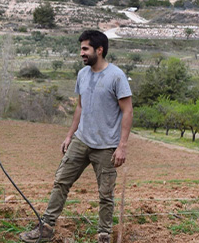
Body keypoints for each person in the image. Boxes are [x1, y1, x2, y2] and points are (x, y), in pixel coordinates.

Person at [19, 30, 133, 243]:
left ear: (99, 50)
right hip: (81, 140)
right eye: (81, 49)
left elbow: (127, 111)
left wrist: (122, 146)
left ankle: (103, 235)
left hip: (107, 146)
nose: (81, 53)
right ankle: (46, 228)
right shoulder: (82, 75)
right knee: (61, 181)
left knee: (105, 194)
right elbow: (80, 107)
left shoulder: (116, 76)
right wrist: (69, 135)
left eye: (85, 49)